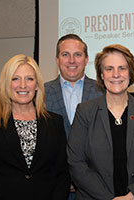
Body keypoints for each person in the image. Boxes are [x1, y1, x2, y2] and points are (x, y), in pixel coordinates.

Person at [67, 44, 134, 200]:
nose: (116, 74)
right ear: (102, 74)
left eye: (122, 68)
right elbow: (76, 162)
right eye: (109, 69)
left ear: (130, 73)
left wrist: (132, 196)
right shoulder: (85, 112)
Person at [0, 54, 70, 200]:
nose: (23, 85)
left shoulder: (54, 122)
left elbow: (62, 173)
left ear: (37, 85)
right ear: (6, 84)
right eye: (15, 78)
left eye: (29, 79)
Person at [44, 34, 103, 198]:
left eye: (77, 54)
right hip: (53, 187)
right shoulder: (40, 94)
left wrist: (81, 178)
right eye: (65, 54)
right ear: (57, 60)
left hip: (94, 188)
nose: (71, 60)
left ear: (86, 59)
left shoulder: (103, 93)